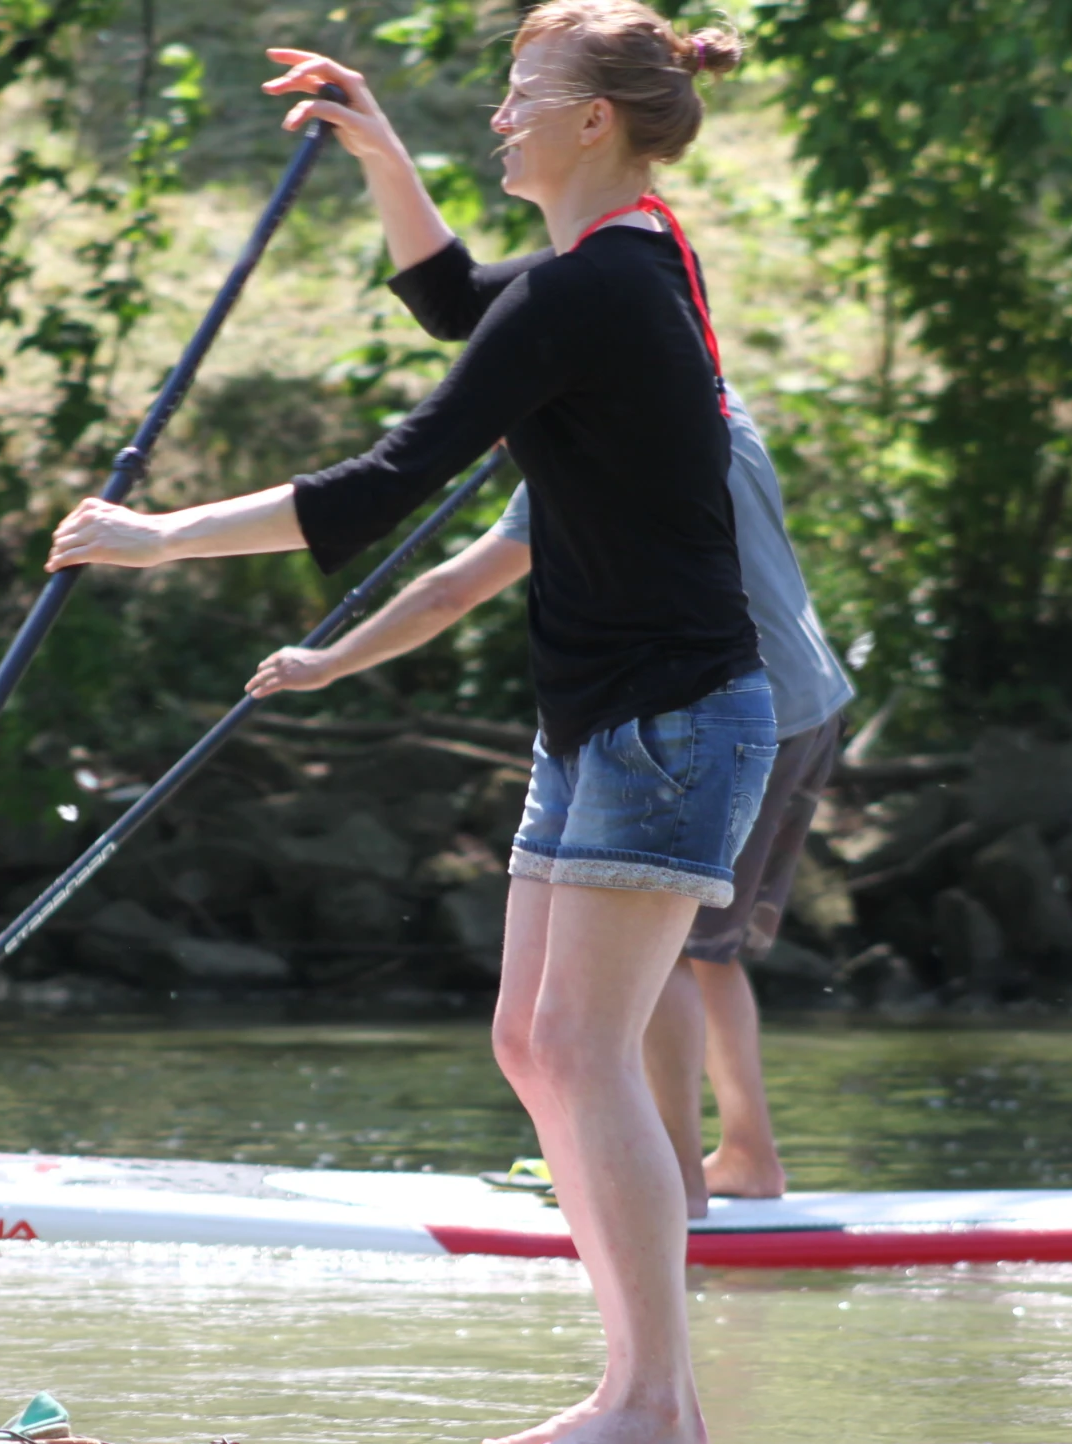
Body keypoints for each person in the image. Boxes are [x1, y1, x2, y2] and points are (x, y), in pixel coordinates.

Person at [48, 0, 759, 1444]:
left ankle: (658, 1411)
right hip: (605, 717)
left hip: (669, 719)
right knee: (534, 1043)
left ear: (592, 121)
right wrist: (379, 151)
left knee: (582, 1045)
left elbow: (387, 481)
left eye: (521, 93)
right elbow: (457, 306)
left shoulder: (600, 284)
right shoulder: (610, 263)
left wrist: (160, 537)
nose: (497, 116)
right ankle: (637, 1391)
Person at [247, 394, 854, 1214]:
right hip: (811, 700)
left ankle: (674, 1180)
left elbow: (450, 592)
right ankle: (746, 1154)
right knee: (708, 947)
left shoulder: (590, 452)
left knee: (663, 949)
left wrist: (327, 662)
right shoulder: (708, 399)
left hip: (731, 708)